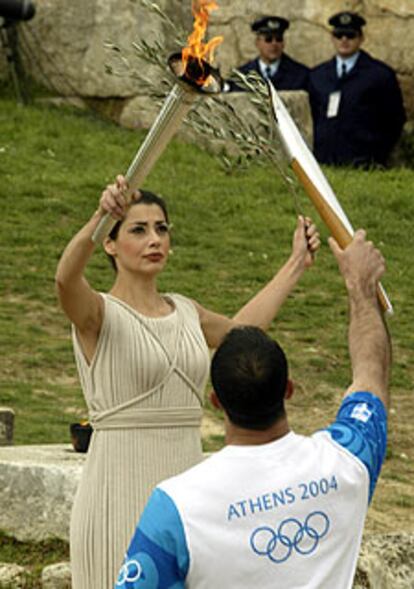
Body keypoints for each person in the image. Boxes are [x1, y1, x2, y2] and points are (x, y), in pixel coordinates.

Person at [55, 174, 320, 589]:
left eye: (161, 228)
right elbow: (65, 280)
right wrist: (98, 216)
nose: (154, 239)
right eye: (138, 230)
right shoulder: (97, 314)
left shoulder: (185, 311)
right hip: (116, 488)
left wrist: (295, 264)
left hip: (186, 487)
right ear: (110, 243)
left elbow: (242, 333)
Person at [116, 229, 390, 589]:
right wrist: (361, 286)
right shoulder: (346, 461)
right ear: (288, 390)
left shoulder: (175, 507)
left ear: (216, 401)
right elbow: (371, 372)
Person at [308, 11, 406, 167]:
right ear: (332, 38)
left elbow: (394, 120)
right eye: (339, 35)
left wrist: (377, 155)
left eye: (350, 35)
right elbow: (313, 114)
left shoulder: (380, 75)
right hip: (324, 162)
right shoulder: (318, 75)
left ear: (361, 38)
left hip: (364, 162)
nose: (344, 40)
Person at [226, 15, 309, 92]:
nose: (274, 44)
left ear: (283, 43)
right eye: (268, 40)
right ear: (257, 43)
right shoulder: (242, 77)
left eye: (278, 39)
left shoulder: (300, 75)